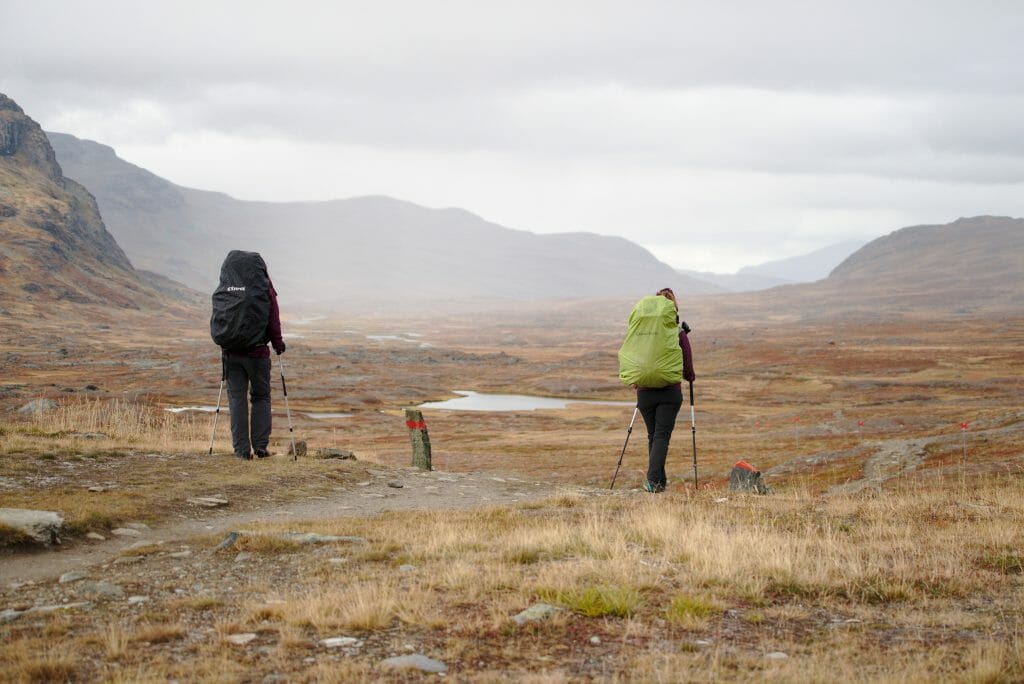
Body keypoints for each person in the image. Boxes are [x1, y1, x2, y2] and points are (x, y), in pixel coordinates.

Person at [220, 258, 286, 460]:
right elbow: (273, 318)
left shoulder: (227, 286)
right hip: (257, 354)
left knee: (237, 399)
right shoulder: (264, 287)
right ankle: (260, 447)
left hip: (231, 352)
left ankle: (241, 451)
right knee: (261, 397)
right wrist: (278, 344)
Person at [636, 287, 695, 492]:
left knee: (654, 436)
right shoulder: (677, 332)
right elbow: (687, 363)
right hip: (669, 392)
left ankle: (659, 483)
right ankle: (653, 481)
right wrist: (690, 376)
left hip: (644, 392)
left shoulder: (642, 332)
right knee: (661, 436)